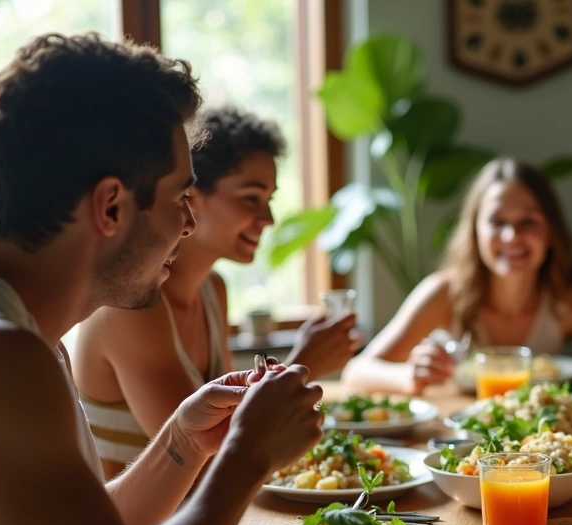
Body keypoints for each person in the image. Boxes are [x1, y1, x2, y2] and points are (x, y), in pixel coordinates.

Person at [0, 33, 323, 525]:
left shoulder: (21, 332)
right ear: (111, 207)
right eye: (180, 195)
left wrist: (184, 440)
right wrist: (247, 455)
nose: (188, 221)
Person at [73, 105, 360, 477]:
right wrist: (301, 366)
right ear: (191, 194)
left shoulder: (212, 290)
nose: (268, 218)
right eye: (250, 198)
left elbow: (228, 431)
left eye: (269, 199)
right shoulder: (130, 304)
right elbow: (207, 457)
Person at [342, 157, 572, 394]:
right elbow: (356, 371)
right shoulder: (443, 294)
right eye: (497, 222)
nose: (512, 236)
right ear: (475, 231)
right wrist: (410, 376)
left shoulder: (568, 300)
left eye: (528, 222)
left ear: (551, 233)